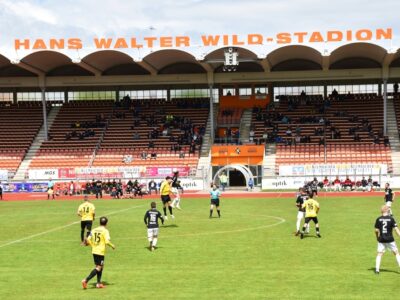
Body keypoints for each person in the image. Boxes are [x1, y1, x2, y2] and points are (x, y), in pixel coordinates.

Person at [82, 217, 115, 289]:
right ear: (106, 223)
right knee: (99, 267)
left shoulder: (94, 230)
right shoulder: (105, 231)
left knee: (100, 266)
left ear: (100, 222)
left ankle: (98, 283)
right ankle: (86, 280)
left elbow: (87, 239)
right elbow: (107, 241)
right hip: (100, 251)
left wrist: (92, 245)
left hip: (94, 250)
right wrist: (112, 246)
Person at [374, 205, 400, 274]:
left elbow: (376, 230)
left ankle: (377, 270)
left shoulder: (378, 219)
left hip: (381, 239)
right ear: (386, 210)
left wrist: (377, 237)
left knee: (379, 254)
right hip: (390, 239)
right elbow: (396, 229)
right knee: (396, 253)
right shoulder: (391, 219)